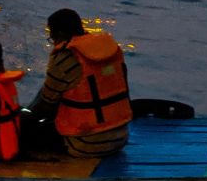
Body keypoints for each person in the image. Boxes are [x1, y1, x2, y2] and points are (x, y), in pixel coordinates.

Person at [24, 9, 131, 158]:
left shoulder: (65, 58)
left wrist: (22, 119)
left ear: (60, 34)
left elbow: (46, 107)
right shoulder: (112, 50)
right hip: (121, 137)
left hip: (85, 143)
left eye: (52, 37)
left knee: (25, 133)